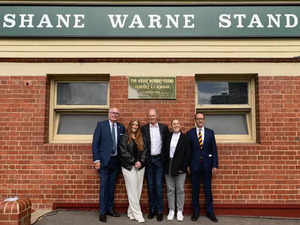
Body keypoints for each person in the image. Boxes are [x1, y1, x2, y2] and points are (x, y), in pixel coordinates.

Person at [92, 107, 125, 223]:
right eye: (112, 113)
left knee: (112, 187)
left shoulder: (121, 127)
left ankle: (110, 209)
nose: (114, 115)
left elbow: (123, 145)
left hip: (116, 162)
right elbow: (95, 143)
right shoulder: (101, 125)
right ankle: (102, 212)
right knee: (104, 187)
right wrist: (96, 160)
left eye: (116, 113)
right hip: (104, 161)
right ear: (108, 114)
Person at [186, 112, 219, 223]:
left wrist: (215, 165)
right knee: (195, 191)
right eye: (198, 119)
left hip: (207, 166)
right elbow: (188, 152)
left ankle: (210, 212)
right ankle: (196, 213)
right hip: (194, 166)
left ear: (204, 120)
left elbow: (214, 150)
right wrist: (188, 165)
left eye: (202, 119)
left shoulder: (210, 133)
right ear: (195, 120)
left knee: (207, 190)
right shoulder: (189, 133)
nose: (200, 121)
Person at [141, 108, 169, 221]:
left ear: (157, 116)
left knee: (158, 186)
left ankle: (160, 211)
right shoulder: (144, 129)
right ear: (148, 117)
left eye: (153, 115)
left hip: (159, 160)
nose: (151, 117)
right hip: (149, 160)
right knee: (150, 187)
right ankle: (152, 210)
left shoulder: (164, 128)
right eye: (150, 116)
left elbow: (167, 144)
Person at [119, 119, 148, 223]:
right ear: (130, 125)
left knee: (138, 190)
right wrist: (134, 161)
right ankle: (138, 214)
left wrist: (141, 161)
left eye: (137, 125)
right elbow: (123, 152)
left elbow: (145, 151)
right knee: (132, 191)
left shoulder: (141, 137)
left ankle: (131, 212)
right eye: (133, 124)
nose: (135, 126)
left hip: (140, 167)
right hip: (128, 167)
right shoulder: (124, 137)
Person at [162, 119, 191, 222]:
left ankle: (179, 211)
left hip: (180, 166)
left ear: (180, 125)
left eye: (178, 123)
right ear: (171, 126)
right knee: (170, 189)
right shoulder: (168, 136)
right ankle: (171, 210)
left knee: (180, 189)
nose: (176, 125)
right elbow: (164, 152)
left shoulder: (185, 138)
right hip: (169, 165)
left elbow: (187, 154)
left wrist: (183, 168)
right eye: (174, 124)